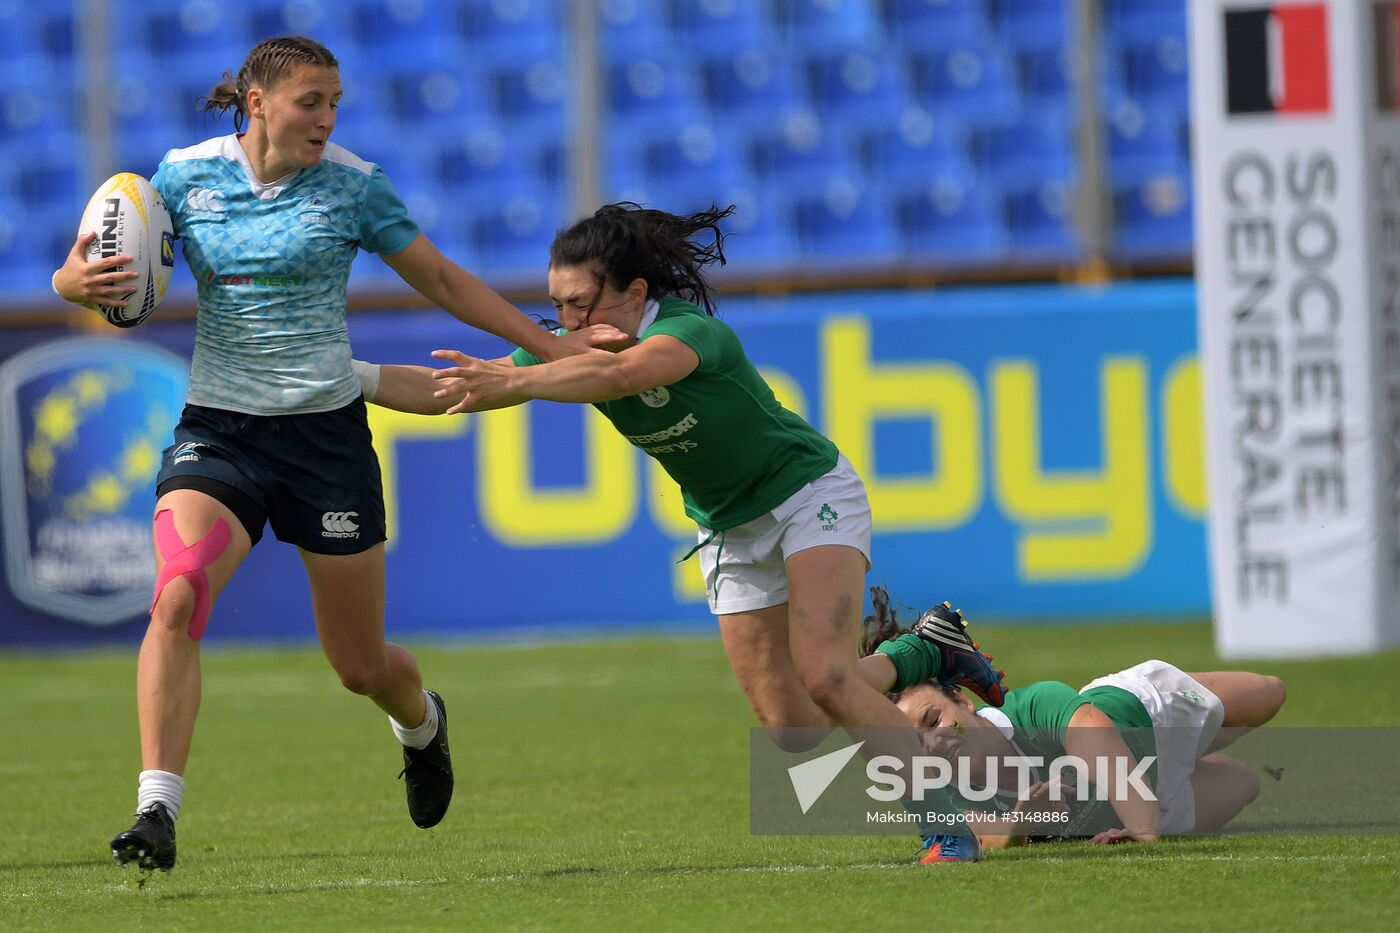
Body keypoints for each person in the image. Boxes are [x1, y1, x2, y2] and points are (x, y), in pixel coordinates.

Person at [50, 36, 621, 873]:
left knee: (359, 666)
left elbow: (443, 280)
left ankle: (421, 722)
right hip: (221, 430)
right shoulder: (179, 176)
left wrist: (552, 346)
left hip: (326, 441)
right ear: (257, 103)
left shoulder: (354, 186)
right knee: (176, 595)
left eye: (334, 104)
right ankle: (156, 809)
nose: (326, 119)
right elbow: (81, 270)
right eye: (310, 102)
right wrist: (75, 284)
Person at [417, 201, 1008, 863]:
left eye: (580, 303)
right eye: (557, 305)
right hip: (729, 529)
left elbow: (618, 375)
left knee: (827, 677)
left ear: (634, 293)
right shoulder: (564, 347)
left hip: (807, 494)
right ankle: (922, 652)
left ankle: (946, 829)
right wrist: (346, 381)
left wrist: (522, 373)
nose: (567, 321)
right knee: (795, 731)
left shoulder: (687, 333)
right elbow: (444, 389)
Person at [860, 588, 1287, 855]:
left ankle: (1192, 748)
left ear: (961, 700)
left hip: (1149, 720)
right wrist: (1022, 822)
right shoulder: (944, 794)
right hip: (1141, 805)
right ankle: (1184, 771)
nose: (934, 744)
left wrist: (1142, 830)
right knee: (1246, 783)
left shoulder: (1032, 708)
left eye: (933, 720)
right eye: (916, 744)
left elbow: (1098, 743)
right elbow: (988, 836)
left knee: (1271, 693)